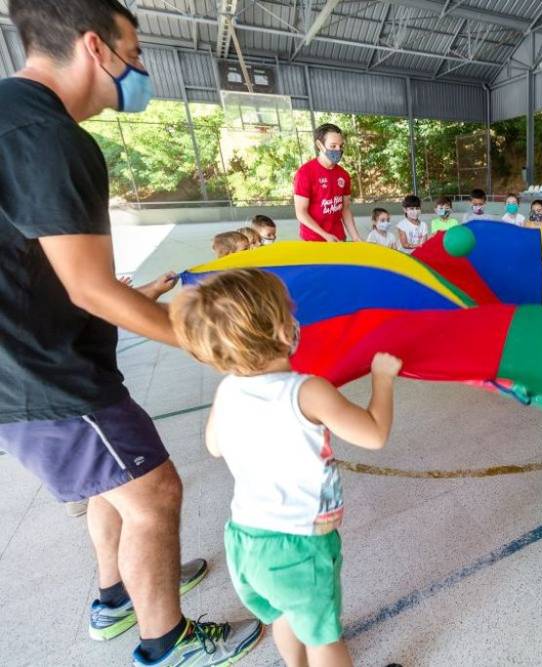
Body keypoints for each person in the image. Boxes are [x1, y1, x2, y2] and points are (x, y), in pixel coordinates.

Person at [0, 1, 262, 664]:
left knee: (110, 486)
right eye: (135, 52)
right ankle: (165, 641)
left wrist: (124, 298)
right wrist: (209, 342)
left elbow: (52, 269)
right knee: (155, 489)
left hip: (32, 358)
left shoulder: (12, 115)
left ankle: (117, 597)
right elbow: (90, 286)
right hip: (46, 374)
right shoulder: (49, 136)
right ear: (96, 46)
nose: (141, 68)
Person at [170, 269, 402, 667]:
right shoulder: (308, 391)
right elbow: (374, 434)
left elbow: (213, 446)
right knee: (324, 637)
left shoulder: (227, 390)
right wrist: (382, 380)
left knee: (284, 615)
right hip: (299, 545)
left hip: (246, 542)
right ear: (282, 330)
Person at [293, 123, 362, 243]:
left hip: (338, 238)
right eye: (333, 146)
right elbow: (301, 212)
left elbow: (345, 209)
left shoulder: (343, 175)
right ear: (320, 145)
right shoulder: (305, 173)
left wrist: (356, 238)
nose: (338, 150)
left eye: (340, 146)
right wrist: (325, 235)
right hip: (313, 240)